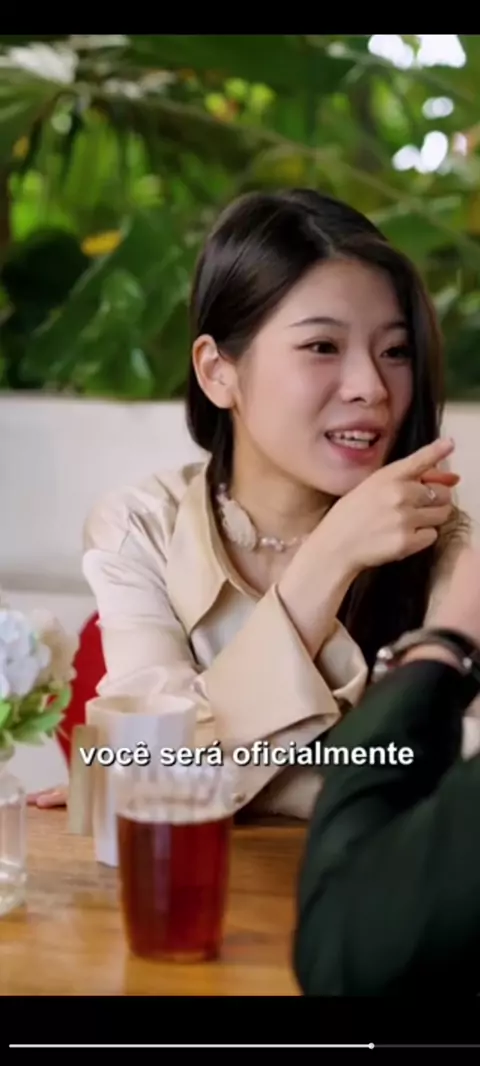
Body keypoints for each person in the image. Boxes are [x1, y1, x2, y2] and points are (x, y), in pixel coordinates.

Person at [28, 188, 473, 813]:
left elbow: (450, 784)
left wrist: (165, 775)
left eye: (395, 351)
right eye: (322, 346)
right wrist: (330, 557)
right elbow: (150, 773)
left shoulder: (442, 545)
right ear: (218, 371)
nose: (371, 387)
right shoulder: (142, 526)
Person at [294, 545, 480, 996]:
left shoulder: (443, 551)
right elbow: (163, 751)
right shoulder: (146, 528)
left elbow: (344, 953)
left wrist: (445, 642)